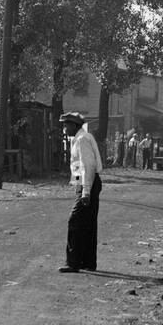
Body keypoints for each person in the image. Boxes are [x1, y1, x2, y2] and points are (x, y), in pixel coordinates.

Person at [59, 112, 103, 273]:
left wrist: (85, 191)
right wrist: (77, 184)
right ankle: (88, 262)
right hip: (88, 183)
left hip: (89, 183)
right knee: (88, 224)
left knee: (75, 222)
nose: (64, 128)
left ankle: (73, 262)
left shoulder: (82, 139)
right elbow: (78, 166)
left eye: (66, 125)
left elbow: (88, 166)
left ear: (74, 125)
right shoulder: (80, 138)